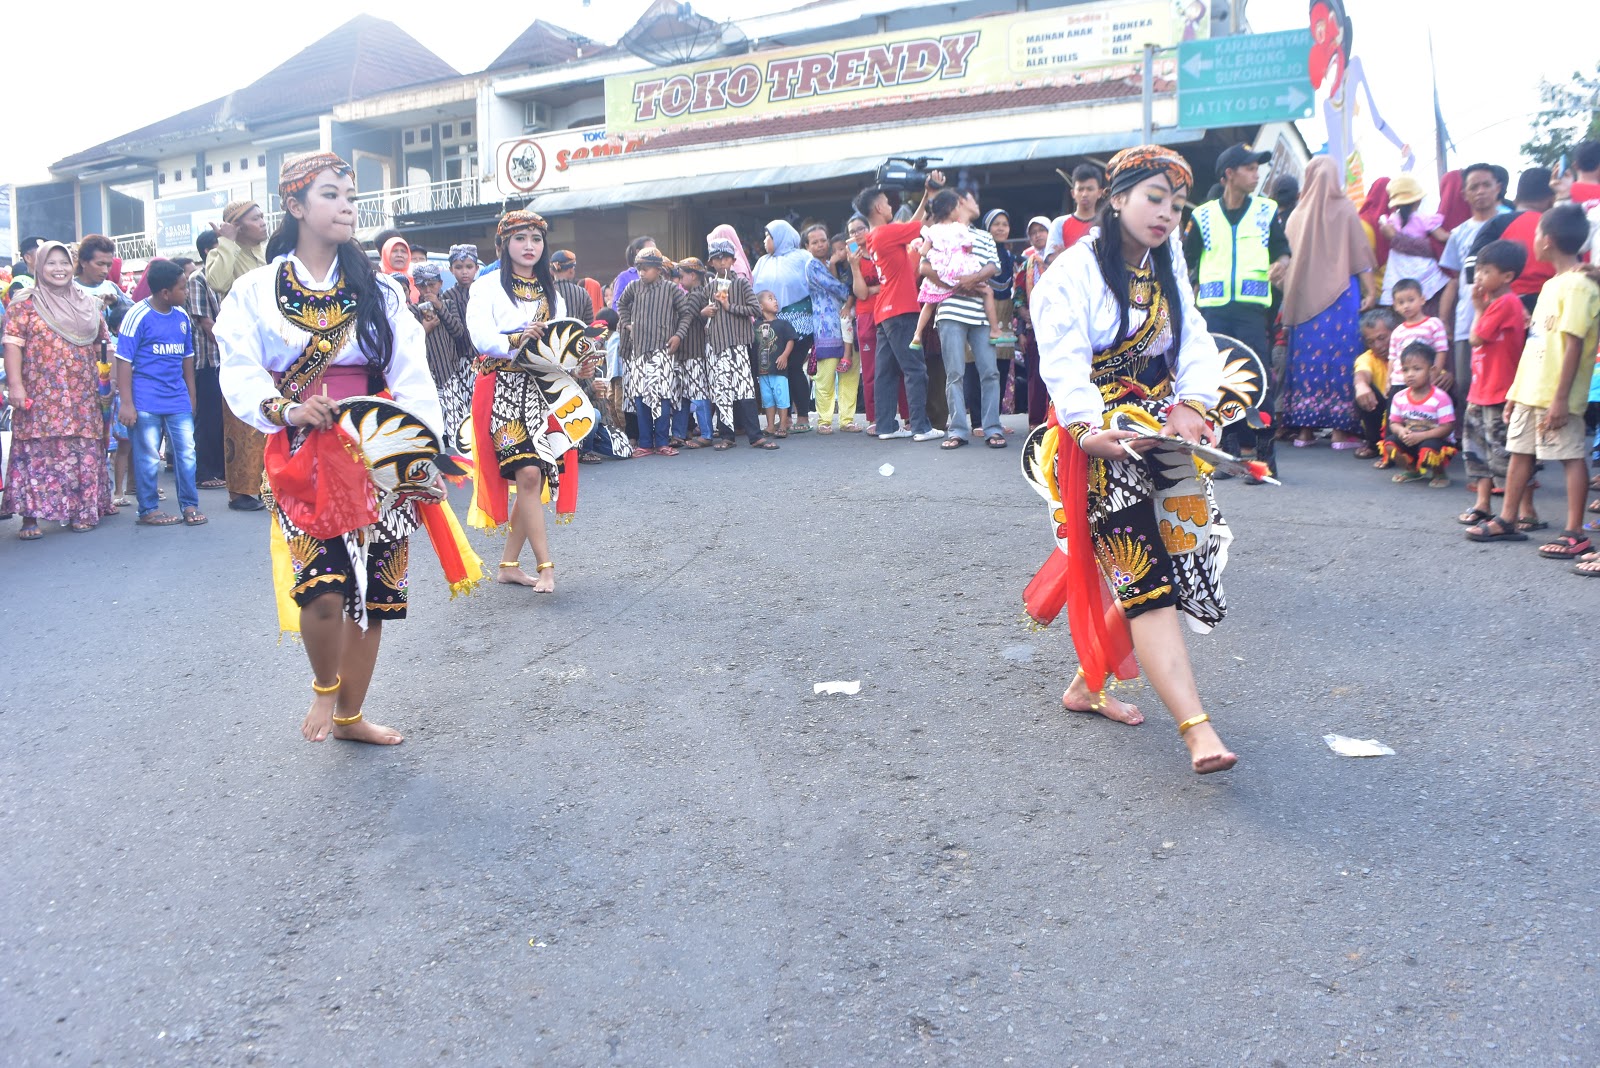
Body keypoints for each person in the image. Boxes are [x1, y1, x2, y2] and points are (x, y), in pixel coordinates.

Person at [215, 152, 477, 745]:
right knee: (325, 590)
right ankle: (325, 688)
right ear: (295, 206)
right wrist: (286, 408)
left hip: (376, 448)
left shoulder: (379, 289)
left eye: (351, 197)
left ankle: (352, 716)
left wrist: (421, 455)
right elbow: (239, 372)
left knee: (376, 596)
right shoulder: (256, 291)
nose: (346, 206)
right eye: (331, 194)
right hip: (304, 448)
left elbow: (412, 375)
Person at [1028, 144, 1239, 775]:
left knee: (1181, 561)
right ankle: (1198, 732)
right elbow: (1062, 359)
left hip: (1160, 431)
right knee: (1146, 578)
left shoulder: (1166, 257)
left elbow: (1194, 335)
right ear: (1115, 199)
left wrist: (1195, 404)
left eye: (1176, 204)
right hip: (1097, 438)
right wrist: (1090, 427)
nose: (1167, 214)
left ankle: (1084, 684)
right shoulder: (1072, 271)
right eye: (1153, 198)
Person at [467, 209, 598, 587]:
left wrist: (581, 366)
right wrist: (517, 338)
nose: (529, 246)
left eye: (536, 239)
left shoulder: (553, 294)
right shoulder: (486, 286)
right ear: (503, 244)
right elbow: (480, 337)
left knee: (534, 477)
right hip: (502, 391)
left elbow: (559, 349)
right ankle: (546, 567)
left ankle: (508, 566)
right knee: (527, 472)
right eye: (520, 238)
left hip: (542, 392)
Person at [1467, 205, 1600, 563]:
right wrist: (1514, 393)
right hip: (1530, 390)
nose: (1534, 239)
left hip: (1557, 394)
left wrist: (1560, 399)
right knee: (1520, 453)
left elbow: (1573, 344)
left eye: (1538, 232)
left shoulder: (1579, 285)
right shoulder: (1552, 284)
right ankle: (1508, 518)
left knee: (1571, 456)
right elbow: (1536, 343)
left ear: (1549, 240)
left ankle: (1574, 533)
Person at [1185, 144, 1292, 466]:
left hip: (1252, 310)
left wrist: (1283, 263)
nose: (1256, 174)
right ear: (1229, 174)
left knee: (1258, 377)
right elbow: (1187, 260)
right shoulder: (1201, 216)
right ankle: (1228, 451)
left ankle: (1263, 453)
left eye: (1257, 168)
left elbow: (1282, 249)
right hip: (1213, 309)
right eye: (1249, 168)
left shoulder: (1266, 210)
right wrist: (1191, 288)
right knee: (1218, 380)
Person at [2, 241, 114, 538]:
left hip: (83, 393)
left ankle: (82, 510)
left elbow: (104, 345)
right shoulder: (25, 303)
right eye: (51, 263)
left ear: (73, 265)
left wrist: (107, 382)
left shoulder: (87, 303)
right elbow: (12, 346)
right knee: (35, 450)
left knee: (82, 449)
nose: (59, 269)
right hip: (40, 393)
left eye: (64, 263)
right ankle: (30, 518)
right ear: (38, 267)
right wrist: (15, 386)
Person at [1279, 156, 1378, 460]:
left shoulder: (1296, 214)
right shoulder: (1346, 209)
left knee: (1306, 359)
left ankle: (1305, 431)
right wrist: (1371, 290)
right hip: (1340, 298)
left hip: (1303, 300)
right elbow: (1361, 255)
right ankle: (1338, 432)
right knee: (1341, 357)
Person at [855, 174, 944, 442]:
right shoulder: (886, 233)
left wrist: (927, 197)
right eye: (887, 203)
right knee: (915, 368)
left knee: (886, 372)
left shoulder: (879, 236)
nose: (891, 206)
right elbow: (918, 225)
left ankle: (885, 426)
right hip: (901, 310)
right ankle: (920, 427)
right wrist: (929, 195)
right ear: (880, 208)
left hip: (885, 311)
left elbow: (912, 230)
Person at [115, 259, 202, 526]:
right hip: (145, 400)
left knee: (187, 453)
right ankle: (148, 509)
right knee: (147, 456)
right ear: (165, 293)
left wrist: (191, 398)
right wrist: (127, 404)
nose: (186, 293)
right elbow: (123, 361)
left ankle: (190, 506)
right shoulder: (137, 315)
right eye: (182, 288)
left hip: (177, 398)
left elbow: (187, 360)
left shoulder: (182, 317)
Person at [1458, 240, 1530, 526]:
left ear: (1507, 276)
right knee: (1478, 453)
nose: (1479, 277)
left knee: (1509, 455)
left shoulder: (1505, 303)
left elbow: (1476, 338)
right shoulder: (1494, 303)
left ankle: (1527, 510)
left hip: (1500, 392)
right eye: (1478, 271)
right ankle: (1482, 503)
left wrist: (1477, 308)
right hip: (1481, 390)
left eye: (1486, 271)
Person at [203, 201, 269, 512]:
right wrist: (226, 241)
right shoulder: (223, 252)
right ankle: (241, 491)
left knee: (272, 413)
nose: (263, 222)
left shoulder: (268, 252)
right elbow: (217, 282)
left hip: (273, 342)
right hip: (243, 345)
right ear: (238, 225)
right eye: (256, 218)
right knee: (243, 419)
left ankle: (271, 484)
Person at [927, 188, 1004, 449]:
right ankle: (958, 429)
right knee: (955, 373)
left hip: (981, 313)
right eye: (973, 198)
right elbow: (924, 266)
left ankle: (992, 427)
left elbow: (994, 266)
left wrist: (972, 279)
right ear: (960, 202)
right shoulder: (940, 231)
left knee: (990, 372)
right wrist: (954, 284)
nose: (976, 203)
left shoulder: (983, 236)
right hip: (950, 311)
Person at [1437, 164, 1508, 403]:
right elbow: (1454, 279)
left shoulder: (1511, 223)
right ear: (1464, 195)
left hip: (1506, 318)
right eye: (1473, 187)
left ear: (1497, 188)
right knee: (1466, 383)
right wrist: (1444, 319)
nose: (1480, 191)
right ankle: (1472, 440)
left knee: (1506, 381)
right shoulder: (1458, 234)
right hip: (1468, 319)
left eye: (1486, 185)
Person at [617, 247, 691, 456]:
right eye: (639, 268)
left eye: (646, 268)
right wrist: (627, 324)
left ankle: (662, 442)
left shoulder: (671, 289)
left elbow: (686, 314)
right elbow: (621, 305)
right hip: (639, 351)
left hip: (663, 350)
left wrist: (678, 335)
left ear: (658, 269)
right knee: (640, 397)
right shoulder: (633, 287)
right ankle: (645, 443)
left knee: (662, 396)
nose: (642, 273)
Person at [702, 237, 773, 450]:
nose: (721, 262)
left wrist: (729, 306)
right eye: (717, 258)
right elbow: (700, 315)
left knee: (745, 391)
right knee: (722, 392)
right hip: (717, 347)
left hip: (739, 345)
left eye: (725, 258)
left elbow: (756, 310)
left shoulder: (741, 283)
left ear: (733, 260)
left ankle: (755, 436)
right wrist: (704, 312)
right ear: (711, 262)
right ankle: (727, 436)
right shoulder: (709, 287)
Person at [911, 191, 1000, 351]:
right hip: (961, 270)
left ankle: (917, 334)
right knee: (987, 292)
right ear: (951, 209)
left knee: (929, 304)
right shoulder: (959, 228)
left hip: (942, 271)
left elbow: (923, 252)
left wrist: (935, 254)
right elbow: (969, 246)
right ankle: (995, 329)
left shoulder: (931, 230)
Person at [752, 220, 816, 433]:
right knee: (780, 371)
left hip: (800, 323)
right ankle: (785, 417)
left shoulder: (802, 257)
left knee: (794, 366)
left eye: (768, 236)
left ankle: (804, 416)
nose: (765, 241)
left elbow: (817, 284)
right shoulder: (762, 261)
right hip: (772, 326)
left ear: (780, 238)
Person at [1470, 168, 1557, 314]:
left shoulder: (1497, 223)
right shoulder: (1556, 226)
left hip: (1500, 311)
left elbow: (1471, 269)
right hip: (1552, 311)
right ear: (1552, 200)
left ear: (1516, 199)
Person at [410, 260, 471, 451]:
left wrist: (440, 307)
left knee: (456, 419)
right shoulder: (412, 311)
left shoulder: (449, 304)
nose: (427, 288)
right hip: (429, 373)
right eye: (423, 285)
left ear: (440, 284)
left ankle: (460, 462)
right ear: (417, 286)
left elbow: (459, 331)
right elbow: (409, 343)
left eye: (432, 284)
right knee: (434, 420)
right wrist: (424, 328)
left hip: (451, 370)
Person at [802, 225, 856, 433]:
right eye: (814, 242)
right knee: (825, 377)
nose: (820, 245)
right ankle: (824, 420)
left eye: (823, 240)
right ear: (807, 246)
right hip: (826, 329)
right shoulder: (813, 266)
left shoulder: (837, 263)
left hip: (848, 326)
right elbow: (838, 288)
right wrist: (856, 291)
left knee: (849, 374)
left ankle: (847, 419)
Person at [1380, 343, 1457, 486]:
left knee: (1429, 448)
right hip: (1411, 439)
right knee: (1390, 443)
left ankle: (1439, 473)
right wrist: (1401, 431)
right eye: (1405, 369)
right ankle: (1412, 470)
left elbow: (1448, 427)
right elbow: (1394, 423)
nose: (1410, 374)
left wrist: (1420, 436)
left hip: (1436, 440)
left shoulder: (1441, 397)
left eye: (1417, 369)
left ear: (1431, 370)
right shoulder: (1399, 397)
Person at [186, 229, 227, 490]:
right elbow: (205, 322)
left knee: (227, 419)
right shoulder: (197, 279)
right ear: (207, 252)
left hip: (229, 360)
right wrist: (230, 349)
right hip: (210, 359)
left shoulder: (232, 274)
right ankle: (205, 472)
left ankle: (225, 469)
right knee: (209, 418)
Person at [1383, 279, 1451, 432]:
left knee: (1423, 416)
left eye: (1411, 300)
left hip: (1424, 379)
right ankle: (1392, 451)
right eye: (1401, 302)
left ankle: (1424, 449)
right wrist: (1388, 381)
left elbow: (1441, 350)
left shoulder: (1433, 324)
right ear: (1395, 306)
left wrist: (1434, 374)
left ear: (1422, 299)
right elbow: (1392, 358)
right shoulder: (1397, 331)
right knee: (1395, 418)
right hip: (1400, 380)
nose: (1406, 305)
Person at [1377, 175, 1450, 307]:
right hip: (1421, 266)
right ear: (1418, 200)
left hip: (1398, 266)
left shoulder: (1392, 220)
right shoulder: (1424, 219)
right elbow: (1441, 237)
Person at [671, 256, 716, 447]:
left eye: (682, 276)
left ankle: (705, 434)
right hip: (688, 352)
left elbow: (687, 317)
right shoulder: (696, 295)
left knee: (697, 395)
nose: (680, 281)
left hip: (693, 352)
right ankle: (680, 434)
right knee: (685, 395)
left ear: (692, 275)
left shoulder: (696, 295)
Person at [439, 244, 480, 448]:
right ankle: (467, 445)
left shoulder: (483, 292)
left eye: (469, 266)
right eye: (459, 266)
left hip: (484, 357)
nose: (464, 271)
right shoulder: (447, 297)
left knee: (482, 402)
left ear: (476, 268)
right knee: (464, 403)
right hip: (460, 359)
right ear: (451, 269)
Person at [1018, 215, 1053, 425]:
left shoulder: (1061, 260)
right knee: (1036, 376)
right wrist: (1023, 325)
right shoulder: (1027, 264)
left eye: (1042, 230)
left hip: (1059, 325)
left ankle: (1057, 420)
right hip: (1034, 328)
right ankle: (1036, 422)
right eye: (1033, 232)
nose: (1037, 235)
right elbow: (1019, 296)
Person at [1352, 307, 1398, 456]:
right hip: (1383, 415)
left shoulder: (1409, 352)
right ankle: (1374, 444)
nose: (1377, 346)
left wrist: (1444, 376)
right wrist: (1361, 386)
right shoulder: (1367, 357)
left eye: (1382, 338)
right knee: (1363, 392)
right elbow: (1361, 373)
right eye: (1371, 341)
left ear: (1395, 331)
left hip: (1410, 416)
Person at [754, 290, 796, 437]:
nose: (775, 301)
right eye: (770, 299)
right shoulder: (756, 325)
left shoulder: (782, 324)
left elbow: (791, 340)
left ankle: (783, 425)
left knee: (781, 396)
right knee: (768, 399)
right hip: (763, 370)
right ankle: (771, 426)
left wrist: (784, 355)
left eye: (775, 298)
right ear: (760, 306)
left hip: (779, 369)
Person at [1046, 164, 1105, 261]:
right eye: (1080, 189)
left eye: (1090, 189)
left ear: (1099, 193)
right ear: (1073, 193)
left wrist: (1066, 254)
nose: (1084, 194)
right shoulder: (1059, 224)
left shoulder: (1105, 223)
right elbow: (1051, 259)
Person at [610, 235, 655, 311]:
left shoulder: (657, 275)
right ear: (638, 252)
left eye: (655, 250)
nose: (654, 254)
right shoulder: (624, 277)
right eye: (650, 251)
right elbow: (616, 305)